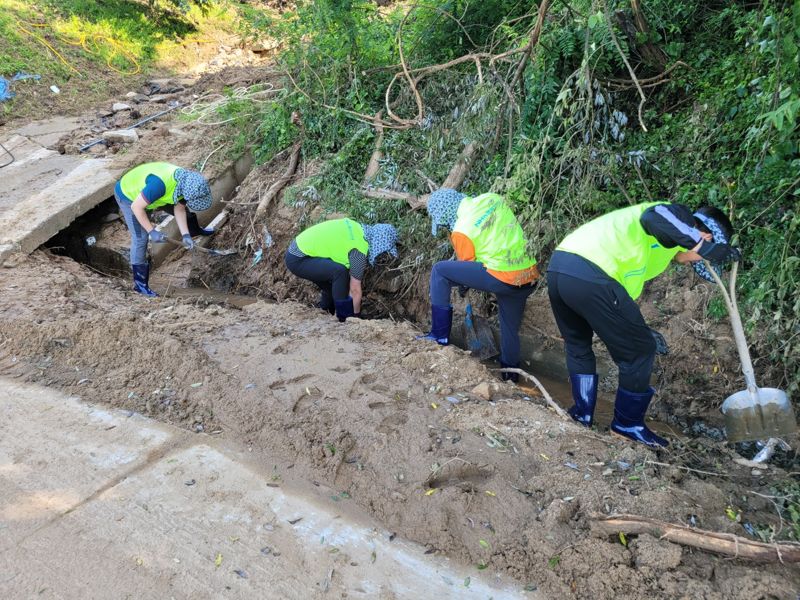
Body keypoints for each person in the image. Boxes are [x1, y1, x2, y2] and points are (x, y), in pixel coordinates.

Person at [547, 202, 738, 447]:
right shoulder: (680, 219)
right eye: (699, 258)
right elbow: (653, 216)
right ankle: (627, 425)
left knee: (578, 344)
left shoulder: (663, 245)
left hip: (561, 267)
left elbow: (615, 303)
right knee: (640, 351)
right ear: (706, 235)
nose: (693, 261)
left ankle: (581, 415)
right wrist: (704, 247)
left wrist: (639, 328)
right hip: (591, 273)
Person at [421, 188, 540, 382]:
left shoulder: (461, 230)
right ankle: (510, 378)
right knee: (509, 328)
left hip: (501, 275)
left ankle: (438, 335)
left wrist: (462, 285)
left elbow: (467, 263)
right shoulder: (492, 198)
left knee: (439, 271)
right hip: (527, 275)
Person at [114, 162, 214, 297]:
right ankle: (140, 285)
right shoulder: (159, 186)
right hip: (129, 196)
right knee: (140, 238)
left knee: (187, 213)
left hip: (154, 195)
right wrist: (152, 231)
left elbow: (179, 209)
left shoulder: (187, 182)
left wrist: (185, 235)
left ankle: (194, 231)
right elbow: (137, 207)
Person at [284, 218, 399, 321]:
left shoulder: (357, 228)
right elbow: (355, 290)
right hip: (299, 258)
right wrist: (355, 316)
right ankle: (343, 317)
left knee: (333, 285)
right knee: (339, 272)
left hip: (297, 249)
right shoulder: (358, 251)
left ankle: (324, 310)